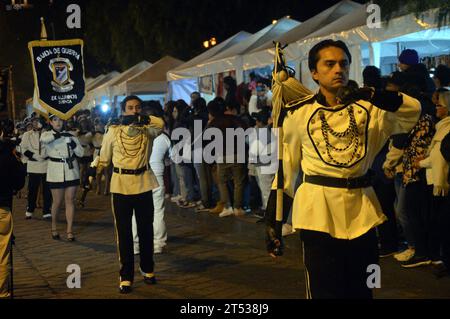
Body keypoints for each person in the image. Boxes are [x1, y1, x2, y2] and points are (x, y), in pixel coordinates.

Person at [266, 39, 421, 299]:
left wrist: (371, 94)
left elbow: (413, 110)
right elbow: (286, 171)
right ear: (314, 73)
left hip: (363, 212)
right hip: (317, 214)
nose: (338, 69)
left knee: (365, 287)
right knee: (324, 290)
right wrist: (273, 220)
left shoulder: (372, 110)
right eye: (329, 64)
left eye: (344, 63)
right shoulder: (298, 115)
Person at [99, 95, 164, 294]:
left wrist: (143, 119)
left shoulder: (148, 129)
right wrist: (97, 169)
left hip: (144, 182)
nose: (134, 111)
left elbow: (161, 124)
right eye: (130, 108)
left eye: (137, 107)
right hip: (121, 185)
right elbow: (104, 157)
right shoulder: (113, 131)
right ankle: (126, 275)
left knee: (146, 230)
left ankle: (147, 268)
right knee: (124, 233)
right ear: (123, 110)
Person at [418, 89, 450, 276]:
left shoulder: (446, 127)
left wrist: (421, 162)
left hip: (442, 184)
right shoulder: (442, 126)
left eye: (439, 105)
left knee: (442, 224)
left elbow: (440, 157)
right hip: (439, 182)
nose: (436, 108)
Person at [40, 114, 83, 241]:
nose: (58, 122)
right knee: (57, 202)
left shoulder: (70, 135)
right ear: (51, 122)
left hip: (71, 170)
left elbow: (81, 152)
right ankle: (54, 227)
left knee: (70, 200)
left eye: (60, 120)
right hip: (55, 171)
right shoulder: (46, 134)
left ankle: (69, 230)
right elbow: (45, 141)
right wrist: (60, 136)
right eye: (55, 120)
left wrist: (72, 144)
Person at [0, 130, 26, 298]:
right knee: (2, 253)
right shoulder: (7, 154)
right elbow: (19, 180)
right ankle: (2, 291)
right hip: (2, 207)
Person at [20, 117, 52, 220]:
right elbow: (23, 148)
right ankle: (30, 209)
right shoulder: (27, 134)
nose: (35, 124)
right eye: (33, 122)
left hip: (46, 164)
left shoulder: (48, 133)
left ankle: (46, 210)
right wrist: (34, 155)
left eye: (37, 122)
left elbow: (52, 147)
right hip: (33, 165)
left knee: (47, 189)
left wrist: (46, 155)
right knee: (32, 189)